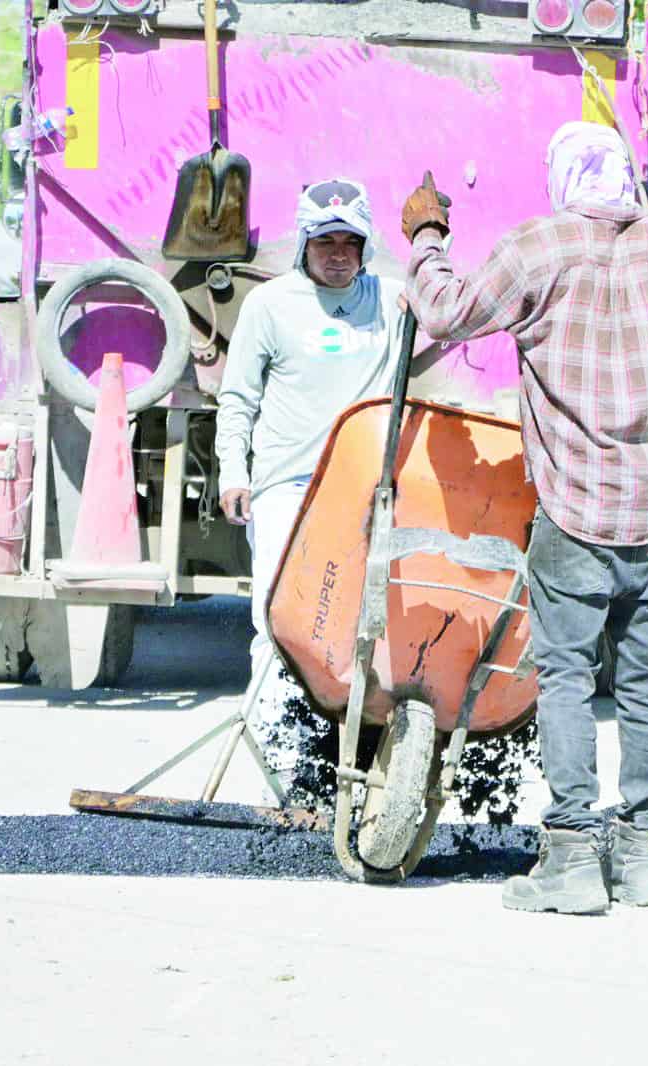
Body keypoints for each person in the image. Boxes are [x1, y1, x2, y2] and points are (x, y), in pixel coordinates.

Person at [401, 122, 648, 914]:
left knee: (565, 679)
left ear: (564, 178)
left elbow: (449, 314)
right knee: (646, 683)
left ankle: (569, 858)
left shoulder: (539, 246)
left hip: (575, 511)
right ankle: (639, 860)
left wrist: (427, 237)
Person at [216, 178, 403, 796]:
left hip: (363, 492)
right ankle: (282, 770)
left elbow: (454, 305)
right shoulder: (270, 306)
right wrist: (233, 470)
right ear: (304, 243)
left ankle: (348, 768)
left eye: (350, 241)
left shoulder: (390, 300)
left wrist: (434, 241)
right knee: (278, 621)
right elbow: (238, 398)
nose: (338, 253)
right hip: (287, 487)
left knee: (357, 627)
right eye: (325, 241)